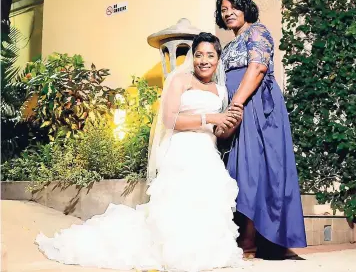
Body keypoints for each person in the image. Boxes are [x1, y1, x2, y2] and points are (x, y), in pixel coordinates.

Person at [35, 33, 250, 272]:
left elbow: (219, 131)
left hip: (207, 153)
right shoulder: (180, 80)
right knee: (178, 206)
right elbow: (170, 120)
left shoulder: (220, 91)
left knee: (205, 204)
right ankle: (175, 253)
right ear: (193, 57)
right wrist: (211, 117)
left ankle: (204, 253)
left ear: (218, 59)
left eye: (210, 55)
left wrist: (228, 125)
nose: (204, 60)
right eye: (199, 54)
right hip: (182, 151)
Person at [214, 0, 307, 259]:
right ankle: (249, 237)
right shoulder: (229, 45)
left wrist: (237, 104)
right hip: (237, 108)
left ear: (246, 9)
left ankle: (253, 240)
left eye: (234, 7)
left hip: (255, 107)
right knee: (240, 171)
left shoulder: (257, 31)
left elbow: (257, 68)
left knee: (256, 170)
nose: (229, 13)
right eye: (224, 9)